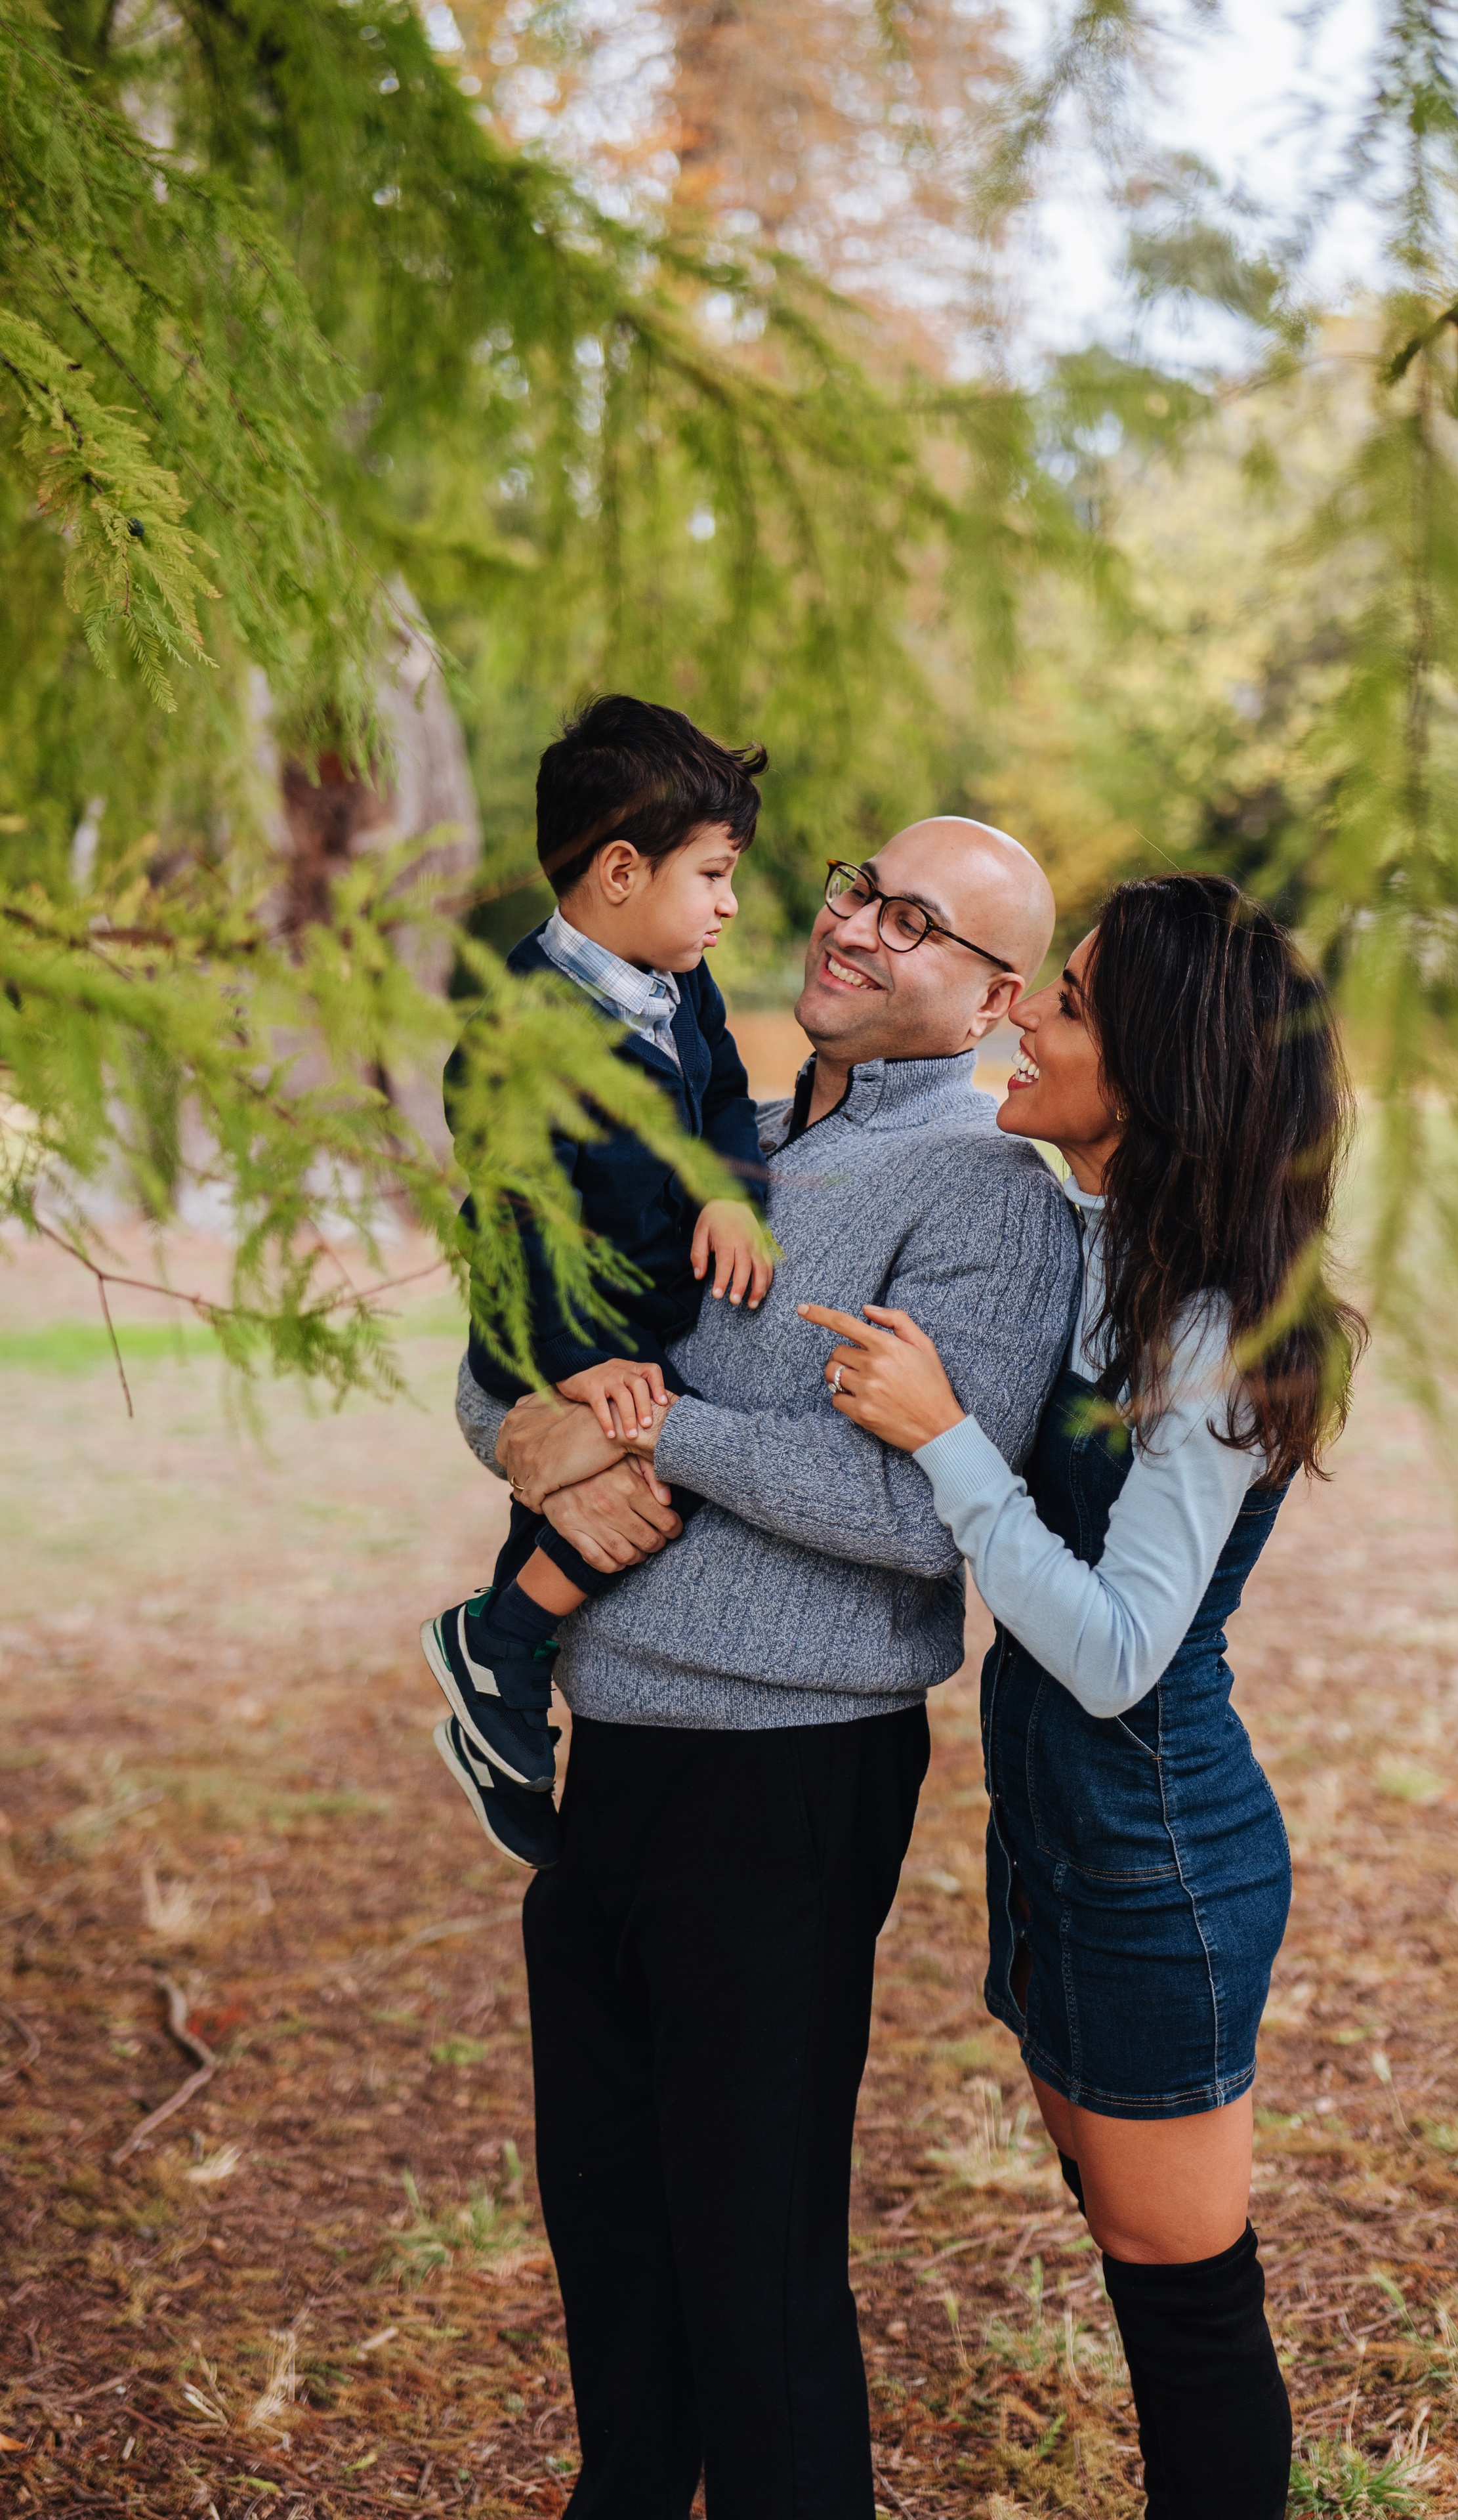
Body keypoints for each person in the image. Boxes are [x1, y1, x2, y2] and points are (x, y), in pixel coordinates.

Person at [459, 822, 1081, 2520]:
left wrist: (667, 1425)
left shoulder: (983, 1197)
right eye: (857, 889)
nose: (858, 928)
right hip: (616, 1746)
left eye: (918, 922)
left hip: (788, 1781)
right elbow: (504, 1369)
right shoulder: (702, 1124)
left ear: (991, 996)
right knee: (609, 2215)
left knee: (756, 2257)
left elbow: (911, 1510)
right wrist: (563, 1425)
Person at [799, 873, 1365, 2520]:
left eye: (1074, 999)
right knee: (1132, 2258)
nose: (1028, 1013)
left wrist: (942, 1438)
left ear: (1166, 1066)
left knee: (1185, 2312)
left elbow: (1120, 1649)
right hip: (1056, 1836)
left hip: (1155, 1861)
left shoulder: (1211, 1332)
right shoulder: (1107, 1247)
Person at [425, 694, 776, 1868]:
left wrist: (731, 1187)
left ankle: (500, 1669)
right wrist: (573, 1370)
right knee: (640, 1480)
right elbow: (511, 1228)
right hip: (556, 1328)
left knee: (645, 1481)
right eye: (714, 877)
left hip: (642, 1321)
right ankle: (503, 1653)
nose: (729, 905)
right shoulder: (522, 1036)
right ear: (621, 870)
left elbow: (723, 1091)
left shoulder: (678, 985)